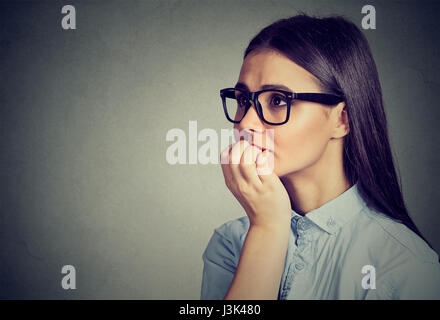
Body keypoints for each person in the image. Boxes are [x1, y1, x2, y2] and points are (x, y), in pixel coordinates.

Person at [200, 14, 440, 300]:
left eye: (277, 100)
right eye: (242, 100)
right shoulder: (230, 243)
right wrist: (267, 228)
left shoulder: (403, 267)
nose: (246, 123)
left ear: (342, 120)